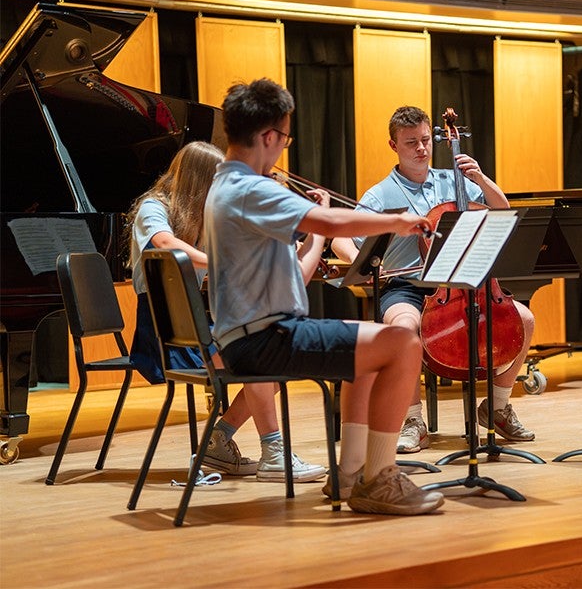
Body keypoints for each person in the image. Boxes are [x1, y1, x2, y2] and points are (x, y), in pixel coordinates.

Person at [204, 78, 444, 515]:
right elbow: (329, 224)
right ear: (269, 137)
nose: (281, 152)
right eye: (284, 139)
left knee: (369, 344)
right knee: (404, 343)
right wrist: (395, 223)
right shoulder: (249, 188)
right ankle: (380, 476)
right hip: (265, 339)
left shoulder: (227, 183)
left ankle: (351, 474)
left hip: (251, 335)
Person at [331, 105, 536, 454]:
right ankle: (412, 420)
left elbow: (502, 214)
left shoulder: (451, 179)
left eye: (426, 140)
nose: (422, 148)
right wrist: (362, 264)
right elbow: (340, 238)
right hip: (407, 287)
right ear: (393, 145)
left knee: (525, 319)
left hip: (465, 284)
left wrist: (482, 180)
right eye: (411, 142)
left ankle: (497, 407)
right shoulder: (380, 195)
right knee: (405, 330)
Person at [127, 141, 328, 482]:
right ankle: (273, 452)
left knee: (273, 359)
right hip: (167, 334)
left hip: (198, 324)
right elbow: (165, 243)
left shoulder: (210, 218)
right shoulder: (154, 207)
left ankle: (218, 441)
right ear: (199, 181)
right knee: (262, 358)